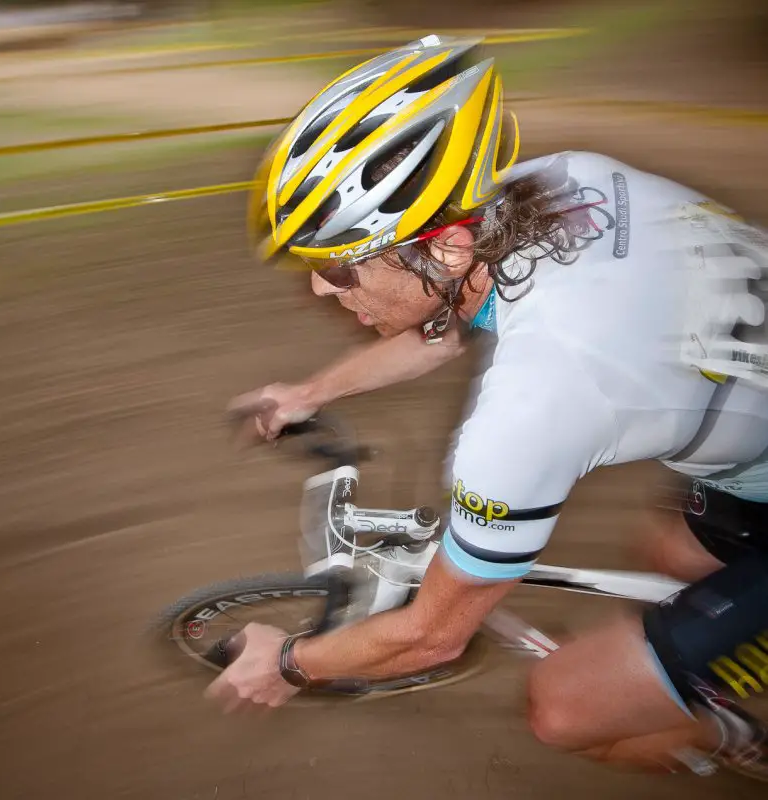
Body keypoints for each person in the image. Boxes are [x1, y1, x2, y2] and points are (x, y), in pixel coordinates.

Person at [205, 34, 768, 774]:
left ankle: (737, 739)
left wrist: (287, 663)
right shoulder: (559, 184)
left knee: (567, 708)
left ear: (444, 249)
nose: (319, 288)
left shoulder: (537, 403)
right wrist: (311, 392)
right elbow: (445, 327)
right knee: (669, 555)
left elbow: (431, 638)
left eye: (339, 268)